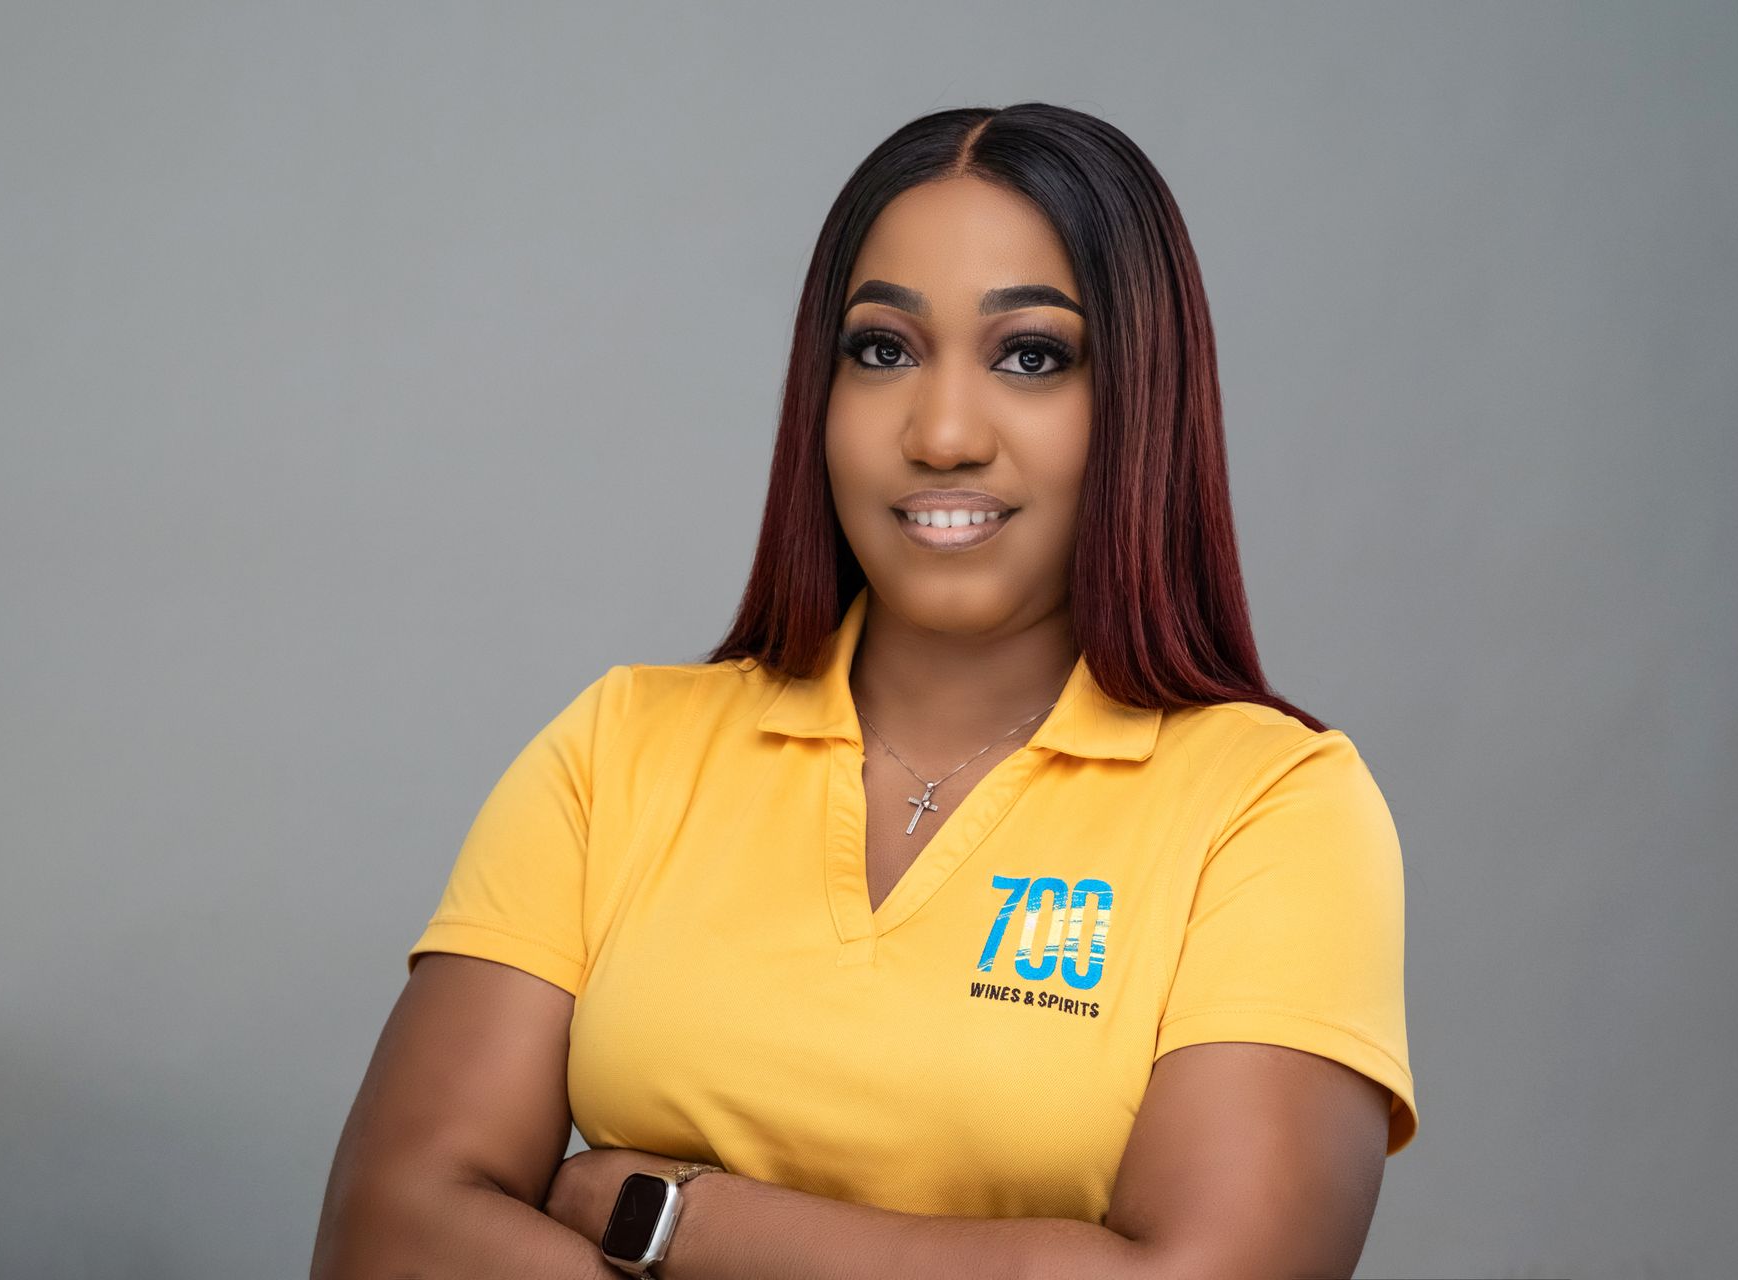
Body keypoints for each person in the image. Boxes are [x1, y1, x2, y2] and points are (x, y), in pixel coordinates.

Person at [313, 101, 1416, 1280]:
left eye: (1032, 356)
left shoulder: (1277, 807)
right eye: (883, 348)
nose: (941, 432)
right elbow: (389, 1231)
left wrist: (671, 1215)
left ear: (1140, 402)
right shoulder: (618, 746)